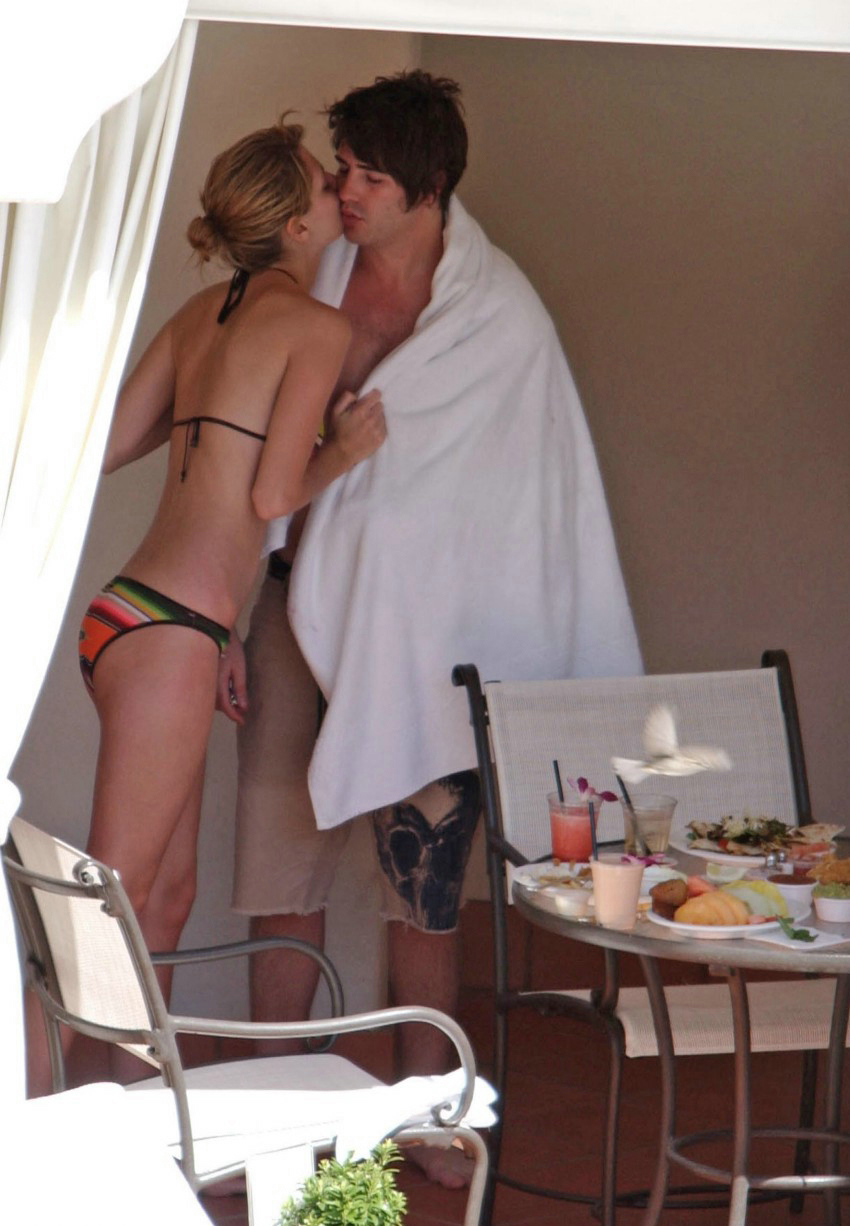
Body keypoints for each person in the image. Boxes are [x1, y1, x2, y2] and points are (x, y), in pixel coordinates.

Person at [228, 72, 641, 1185]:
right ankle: (270, 1119)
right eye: (343, 169)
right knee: (279, 868)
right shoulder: (306, 275)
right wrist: (224, 612)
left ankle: (429, 1110)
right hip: (292, 609)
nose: (346, 192)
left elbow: (536, 501)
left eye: (371, 176)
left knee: (424, 887)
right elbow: (238, 456)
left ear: (433, 184)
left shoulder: (500, 317)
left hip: (429, 638)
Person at [74, 116, 386, 1029]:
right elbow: (274, 495)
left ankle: (138, 1103)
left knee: (163, 899)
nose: (340, 191)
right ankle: (51, 1101)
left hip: (140, 617)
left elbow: (106, 449)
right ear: (296, 225)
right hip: (173, 636)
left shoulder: (198, 316)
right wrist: (345, 450)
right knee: (113, 902)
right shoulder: (315, 327)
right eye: (325, 184)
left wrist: (221, 632)